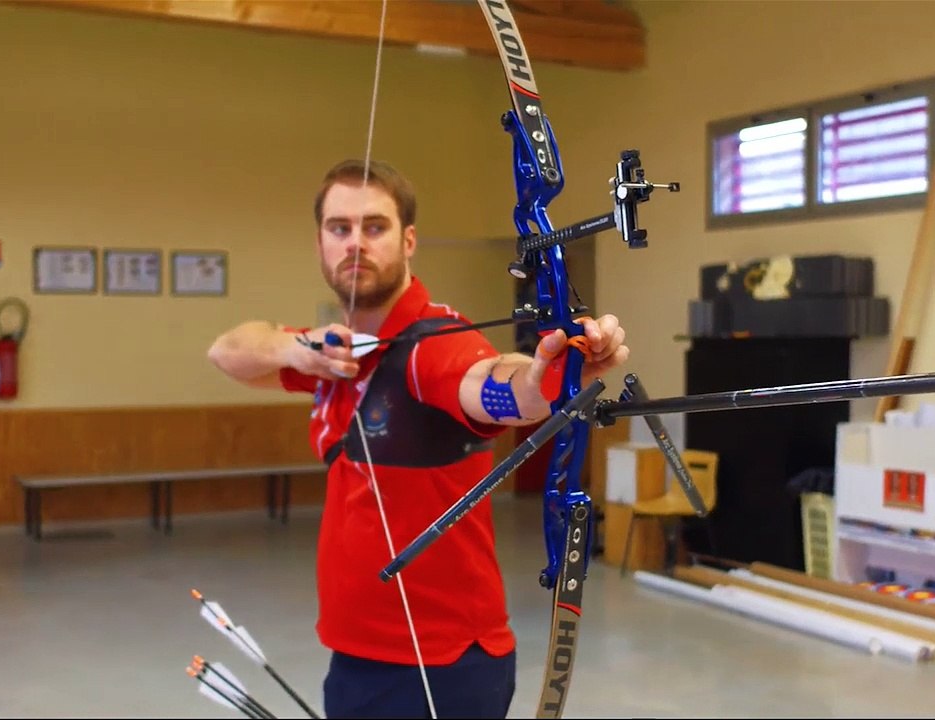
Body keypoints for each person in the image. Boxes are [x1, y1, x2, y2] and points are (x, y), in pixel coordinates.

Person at [206, 159, 629, 719]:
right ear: (320, 243)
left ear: (408, 241)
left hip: (439, 668)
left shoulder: (432, 345)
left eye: (374, 227)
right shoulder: (335, 349)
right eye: (340, 228)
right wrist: (296, 347)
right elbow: (228, 351)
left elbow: (494, 385)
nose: (355, 242)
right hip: (358, 654)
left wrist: (547, 375)